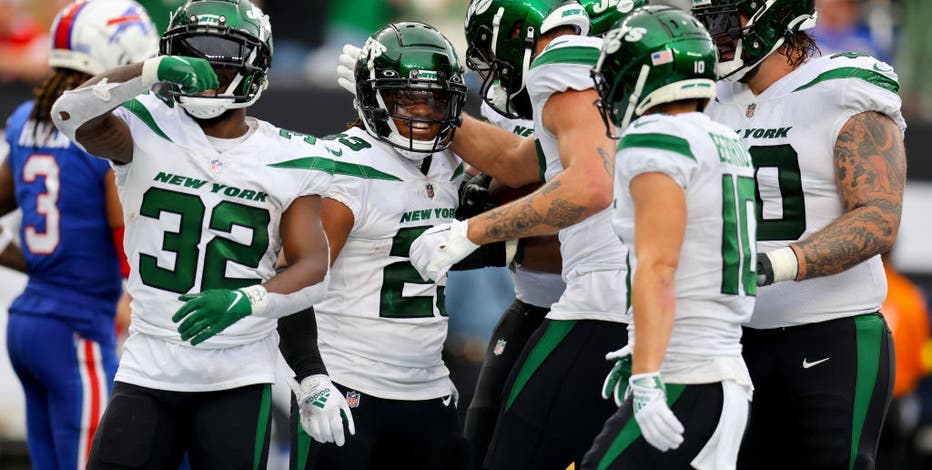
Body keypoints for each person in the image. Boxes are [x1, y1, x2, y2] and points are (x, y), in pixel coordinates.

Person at [50, 0, 339, 467]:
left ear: (255, 66)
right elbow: (68, 115)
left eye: (224, 58)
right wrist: (148, 70)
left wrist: (248, 300)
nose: (207, 71)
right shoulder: (146, 124)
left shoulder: (290, 155)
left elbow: (312, 267)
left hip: (239, 372)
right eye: (192, 56)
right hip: (148, 364)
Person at [406, 1, 630, 468]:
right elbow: (515, 159)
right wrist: (422, 101)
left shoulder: (563, 63)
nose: (495, 75)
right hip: (648, 299)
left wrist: (474, 232)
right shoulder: (615, 80)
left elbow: (590, 187)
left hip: (604, 300)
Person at [691, 1, 906, 468]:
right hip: (735, 338)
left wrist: (773, 264)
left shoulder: (841, 87)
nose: (713, 32)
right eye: (705, 18)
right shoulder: (708, 100)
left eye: (726, 18)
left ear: (773, 14)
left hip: (832, 336)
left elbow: (878, 217)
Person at [285, 21, 470, 470]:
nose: (424, 112)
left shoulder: (453, 164)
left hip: (428, 389)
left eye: (436, 98)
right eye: (408, 97)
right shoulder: (346, 166)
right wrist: (311, 376)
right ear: (373, 96)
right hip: (350, 386)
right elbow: (290, 280)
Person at [579, 6, 756, 469]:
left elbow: (659, 268)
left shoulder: (657, 137)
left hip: (684, 374)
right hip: (727, 378)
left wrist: (648, 373)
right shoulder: (725, 138)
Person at [1, 1, 155, 468]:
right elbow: (120, 226)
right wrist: (137, 294)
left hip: (28, 320)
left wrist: (43, 258)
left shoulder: (27, 116)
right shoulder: (100, 132)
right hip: (77, 326)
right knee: (90, 461)